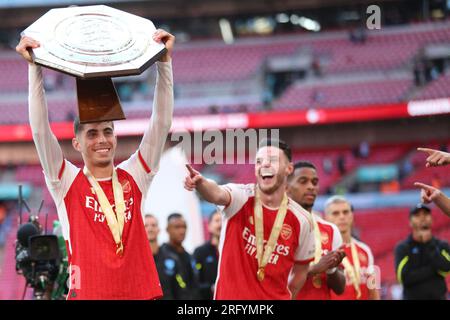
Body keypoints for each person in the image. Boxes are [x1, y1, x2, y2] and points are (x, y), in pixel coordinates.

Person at [16, 29, 175, 299]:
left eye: (108, 131)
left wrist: (164, 63)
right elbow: (41, 131)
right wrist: (35, 70)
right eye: (91, 133)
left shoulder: (135, 174)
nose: (102, 140)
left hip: (141, 294)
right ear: (77, 143)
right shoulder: (66, 181)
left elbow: (160, 124)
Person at [184, 138, 316, 300]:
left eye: (272, 160)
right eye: (259, 161)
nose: (264, 165)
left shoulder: (303, 221)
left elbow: (300, 272)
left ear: (289, 168)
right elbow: (216, 192)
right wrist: (201, 182)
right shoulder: (241, 197)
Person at [287, 161, 346, 300]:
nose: (311, 187)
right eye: (303, 181)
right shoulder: (273, 227)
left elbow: (340, 288)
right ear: (286, 188)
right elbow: (269, 279)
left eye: (314, 182)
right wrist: (313, 269)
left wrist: (331, 268)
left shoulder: (330, 230)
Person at [324, 196, 380, 300]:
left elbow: (373, 289)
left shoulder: (365, 250)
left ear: (352, 215)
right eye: (336, 213)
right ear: (326, 218)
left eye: (345, 212)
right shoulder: (324, 252)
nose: (342, 217)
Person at [394, 204, 450, 300]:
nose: (422, 218)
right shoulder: (402, 247)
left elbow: (446, 269)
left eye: (425, 214)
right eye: (417, 215)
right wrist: (433, 270)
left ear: (432, 220)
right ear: (410, 222)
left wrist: (429, 245)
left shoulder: (442, 245)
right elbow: (403, 278)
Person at [160, 213, 200, 299]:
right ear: (168, 229)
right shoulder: (161, 255)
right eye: (177, 227)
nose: (182, 231)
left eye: (184, 227)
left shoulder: (189, 256)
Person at [144, 213, 179, 300]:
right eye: (146, 226)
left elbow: (180, 286)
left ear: (159, 229)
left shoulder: (172, 258)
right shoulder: (135, 261)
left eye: (153, 225)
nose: (150, 228)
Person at [193, 209, 222, 299]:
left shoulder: (234, 249)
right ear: (209, 226)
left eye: (223, 220)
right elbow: (195, 281)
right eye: (217, 220)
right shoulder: (200, 252)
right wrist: (211, 288)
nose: (221, 224)